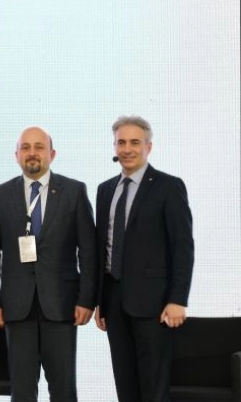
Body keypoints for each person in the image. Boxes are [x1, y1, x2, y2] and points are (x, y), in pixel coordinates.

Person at [0, 126, 98, 402]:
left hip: (62, 305)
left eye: (39, 147)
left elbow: (89, 252)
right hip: (15, 308)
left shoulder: (74, 191)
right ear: (16, 155)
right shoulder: (1, 194)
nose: (32, 153)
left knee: (63, 389)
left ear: (52, 154)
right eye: (25, 147)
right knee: (22, 391)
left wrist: (86, 300)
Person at [94, 116, 194, 402]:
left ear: (148, 147)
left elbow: (182, 247)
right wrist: (100, 300)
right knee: (125, 387)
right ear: (114, 146)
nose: (127, 149)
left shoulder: (169, 187)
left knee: (153, 388)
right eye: (121, 142)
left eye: (135, 142)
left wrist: (178, 299)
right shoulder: (105, 190)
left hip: (155, 305)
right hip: (114, 302)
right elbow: (102, 248)